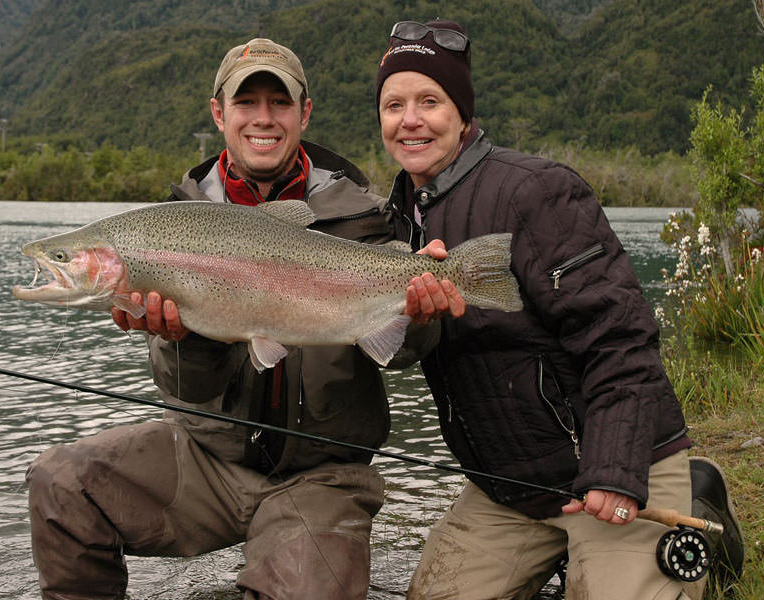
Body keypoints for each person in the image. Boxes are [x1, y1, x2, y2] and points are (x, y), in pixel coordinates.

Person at [25, 37, 461, 600]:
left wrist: (422, 312)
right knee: (60, 482)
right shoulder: (171, 224)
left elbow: (401, 353)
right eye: (245, 103)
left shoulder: (364, 218)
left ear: (303, 113)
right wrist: (181, 338)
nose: (263, 119)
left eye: (279, 104)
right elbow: (189, 386)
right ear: (218, 113)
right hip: (208, 460)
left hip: (323, 474)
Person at [374, 19, 743, 599]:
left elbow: (620, 339)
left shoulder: (536, 192)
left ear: (463, 113)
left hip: (615, 469)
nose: (410, 119)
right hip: (510, 491)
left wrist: (616, 473)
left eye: (430, 101)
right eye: (394, 104)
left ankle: (695, 495)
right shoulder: (392, 223)